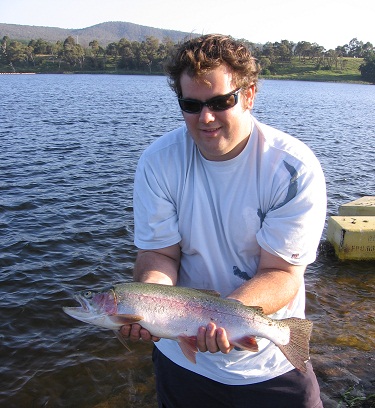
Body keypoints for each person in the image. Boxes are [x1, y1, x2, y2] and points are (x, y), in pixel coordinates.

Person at [121, 34, 326, 407]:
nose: (206, 118)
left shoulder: (292, 168)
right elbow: (160, 256)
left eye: (220, 102)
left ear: (249, 95)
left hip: (271, 364)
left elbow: (281, 273)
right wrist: (146, 303)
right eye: (191, 104)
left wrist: (220, 320)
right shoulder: (158, 162)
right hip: (182, 365)